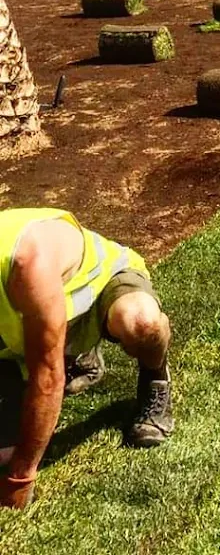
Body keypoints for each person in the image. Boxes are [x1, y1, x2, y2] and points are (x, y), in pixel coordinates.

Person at [0, 208, 174, 509]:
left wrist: (21, 477)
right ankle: (75, 350)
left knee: (141, 324)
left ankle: (155, 377)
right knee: (3, 453)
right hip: (32, 324)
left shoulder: (27, 260)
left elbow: (47, 377)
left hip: (96, 291)